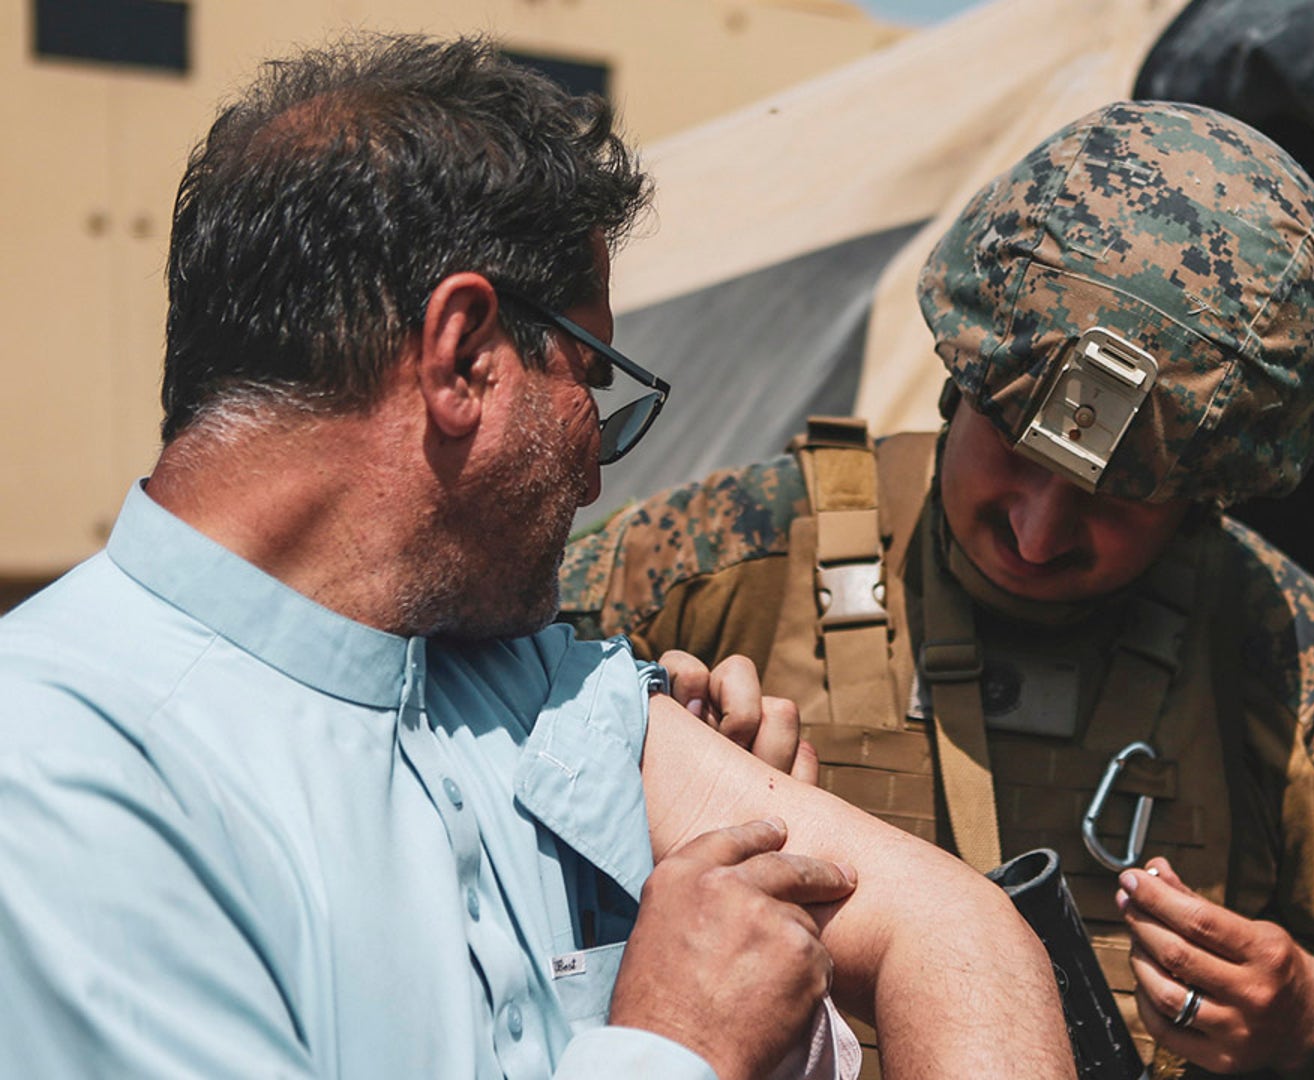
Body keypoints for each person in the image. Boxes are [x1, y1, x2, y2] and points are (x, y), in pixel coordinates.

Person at [0, 35, 1075, 1080]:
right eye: (593, 381)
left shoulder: (512, 680)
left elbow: (957, 933)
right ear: (465, 357)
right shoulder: (57, 777)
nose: (597, 474)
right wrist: (674, 1044)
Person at [559, 101, 1314, 1078]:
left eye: (1120, 498)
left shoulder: (1285, 654)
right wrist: (653, 790)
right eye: (1014, 451)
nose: (1037, 530)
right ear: (957, 379)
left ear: (1204, 502)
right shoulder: (714, 561)